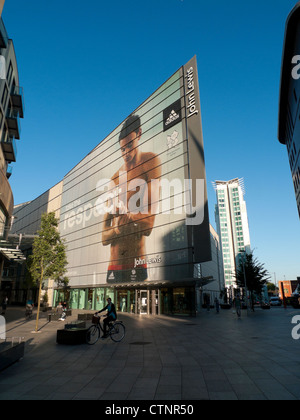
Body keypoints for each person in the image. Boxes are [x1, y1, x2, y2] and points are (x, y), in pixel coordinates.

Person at [102, 114, 162, 283]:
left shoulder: (150, 162)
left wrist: (128, 216)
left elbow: (149, 224)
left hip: (137, 262)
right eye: (122, 149)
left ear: (139, 134)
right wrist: (115, 230)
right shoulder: (114, 179)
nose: (126, 153)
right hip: (113, 266)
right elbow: (103, 238)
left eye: (130, 145)